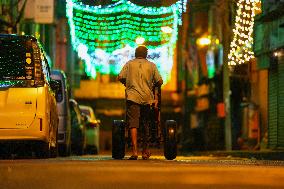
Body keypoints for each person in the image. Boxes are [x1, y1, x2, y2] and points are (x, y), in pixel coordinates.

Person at [118, 45, 163, 160]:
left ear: (135, 53)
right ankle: (144, 151)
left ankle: (134, 152)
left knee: (133, 123)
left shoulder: (129, 64)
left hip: (132, 97)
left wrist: (127, 83)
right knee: (145, 124)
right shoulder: (152, 65)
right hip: (147, 98)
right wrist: (153, 85)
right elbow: (160, 81)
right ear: (146, 54)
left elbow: (120, 77)